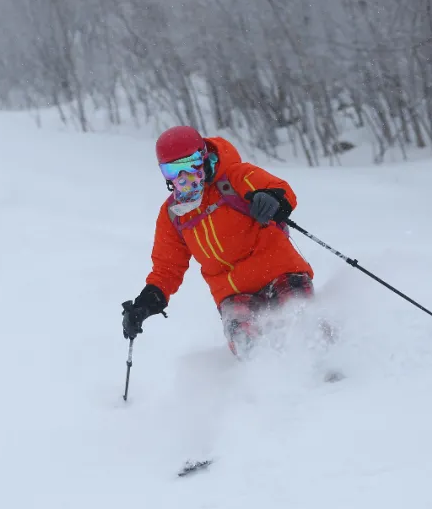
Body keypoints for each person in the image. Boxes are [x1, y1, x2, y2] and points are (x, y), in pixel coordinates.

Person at [121, 125, 322, 358]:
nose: (184, 177)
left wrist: (271, 200)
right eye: (173, 170)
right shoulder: (173, 215)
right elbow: (167, 268)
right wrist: (144, 305)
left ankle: (331, 370)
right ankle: (269, 383)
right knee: (245, 342)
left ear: (204, 157)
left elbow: (281, 190)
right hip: (234, 294)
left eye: (191, 164)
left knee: (301, 321)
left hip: (280, 273)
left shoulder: (236, 178)